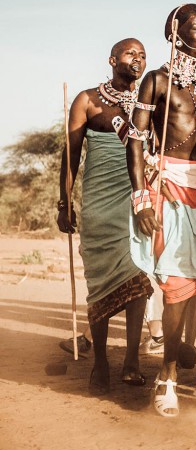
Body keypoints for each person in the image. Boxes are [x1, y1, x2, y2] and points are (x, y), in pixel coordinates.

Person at [127, 3, 196, 417]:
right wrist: (140, 198)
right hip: (169, 186)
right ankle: (167, 375)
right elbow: (136, 141)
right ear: (176, 35)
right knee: (174, 286)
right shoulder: (156, 81)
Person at [57, 39, 154, 393]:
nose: (138, 59)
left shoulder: (150, 101)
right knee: (98, 282)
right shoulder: (87, 100)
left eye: (143, 54)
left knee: (138, 276)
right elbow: (70, 156)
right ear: (113, 60)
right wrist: (64, 202)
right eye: (131, 53)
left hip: (136, 199)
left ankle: (131, 361)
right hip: (98, 202)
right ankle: (100, 362)